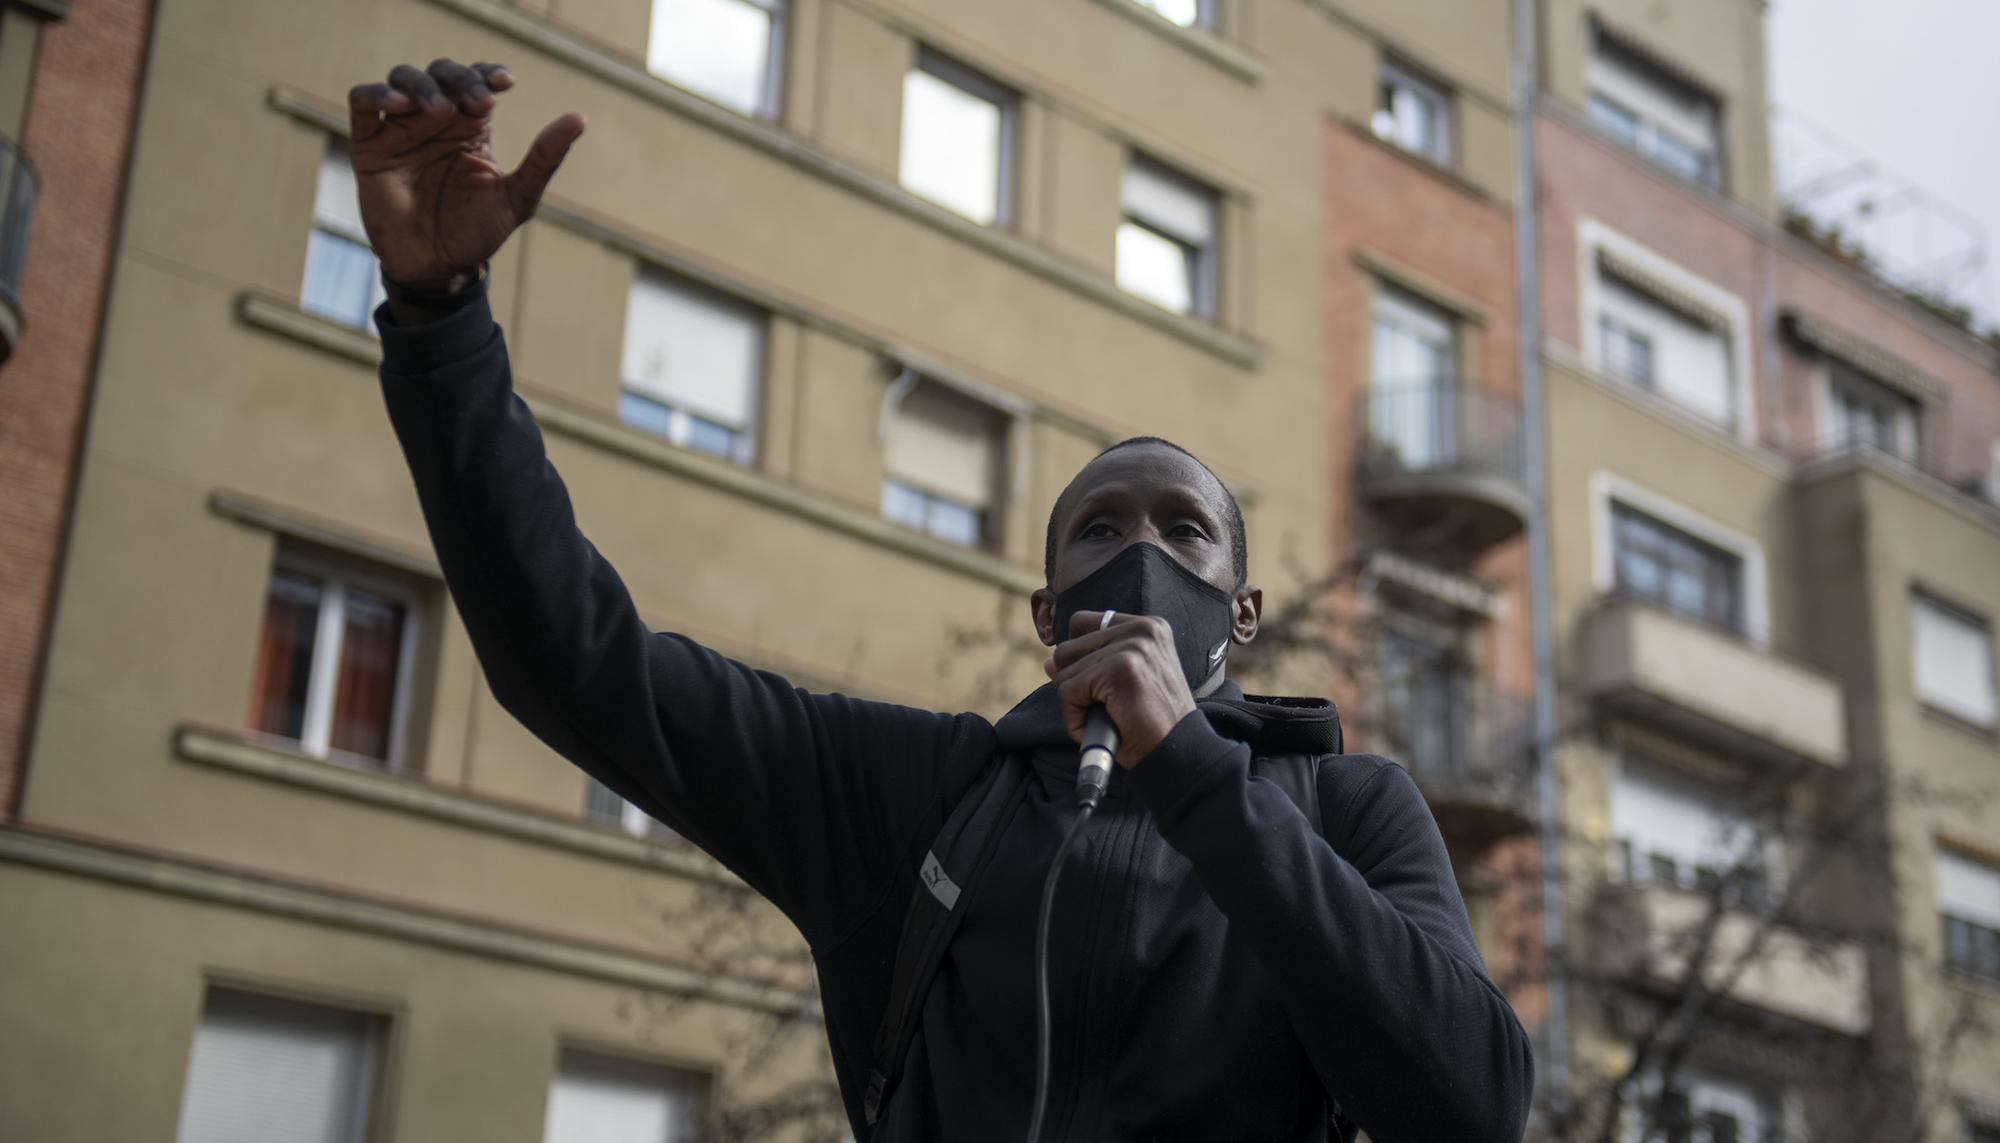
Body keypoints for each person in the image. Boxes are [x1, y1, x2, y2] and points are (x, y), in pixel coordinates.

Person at [353, 58, 1534, 1142]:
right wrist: (440, 319)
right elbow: (579, 668)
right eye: (1098, 530)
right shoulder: (916, 796)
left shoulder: (1347, 811)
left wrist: (1191, 774)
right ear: (1044, 613)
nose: (1138, 553)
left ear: (1241, 614)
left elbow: (1471, 1100)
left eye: (1184, 532)